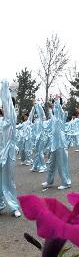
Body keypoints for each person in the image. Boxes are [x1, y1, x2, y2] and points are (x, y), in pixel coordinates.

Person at [0, 80, 22, 217]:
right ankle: (0, 204)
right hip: (0, 154)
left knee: (9, 181)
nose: (4, 107)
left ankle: (14, 207)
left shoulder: (11, 121)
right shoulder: (2, 122)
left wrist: (5, 90)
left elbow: (9, 107)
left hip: (9, 155)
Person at [42, 95, 71, 189]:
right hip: (54, 145)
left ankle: (65, 183)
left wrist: (57, 100)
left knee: (61, 164)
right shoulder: (54, 118)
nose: (54, 106)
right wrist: (50, 109)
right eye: (54, 104)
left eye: (55, 104)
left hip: (60, 144)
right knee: (51, 164)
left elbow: (58, 109)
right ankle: (49, 181)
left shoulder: (61, 115)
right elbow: (49, 120)